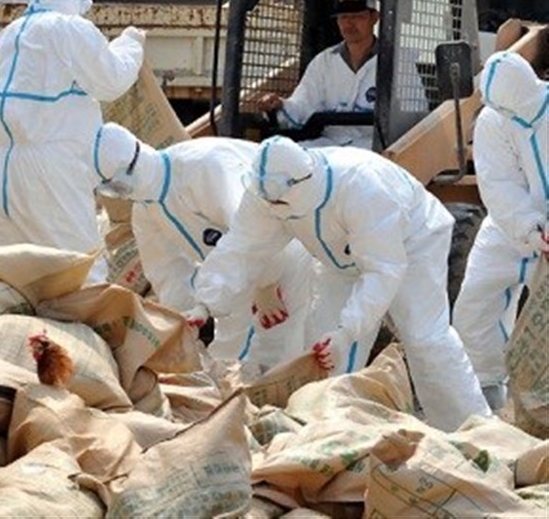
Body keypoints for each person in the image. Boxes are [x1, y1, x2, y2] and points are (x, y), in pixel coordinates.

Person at [189, 135, 491, 431]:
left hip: (411, 244)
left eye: (280, 200)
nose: (274, 205)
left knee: (424, 337)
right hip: (339, 260)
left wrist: (347, 332)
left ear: (304, 183)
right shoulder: (266, 197)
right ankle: (324, 434)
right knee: (323, 349)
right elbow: (240, 248)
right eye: (269, 200)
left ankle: (471, 429)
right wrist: (206, 303)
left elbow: (382, 270)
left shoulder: (364, 187)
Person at [93, 123, 314, 368]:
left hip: (283, 257)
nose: (119, 193)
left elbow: (256, 230)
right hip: (235, 275)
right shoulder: (145, 209)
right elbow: (167, 271)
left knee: (278, 356)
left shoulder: (204, 166)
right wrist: (187, 318)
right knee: (228, 360)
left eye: (114, 186)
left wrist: (266, 284)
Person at [0, 0, 144, 284]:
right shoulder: (71, 28)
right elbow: (111, 79)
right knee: (79, 273)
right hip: (51, 169)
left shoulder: (8, 34)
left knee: (14, 280)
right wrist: (131, 43)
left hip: (2, 167)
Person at [452, 52, 548, 409]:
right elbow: (498, 185)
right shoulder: (494, 119)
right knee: (473, 309)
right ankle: (488, 393)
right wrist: (531, 228)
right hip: (507, 229)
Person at [256, 0, 379, 149]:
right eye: (343, 17)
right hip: (328, 146)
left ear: (374, 18)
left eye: (357, 16)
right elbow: (302, 105)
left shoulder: (393, 63)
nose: (349, 23)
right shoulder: (324, 62)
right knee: (287, 154)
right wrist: (280, 106)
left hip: (373, 148)